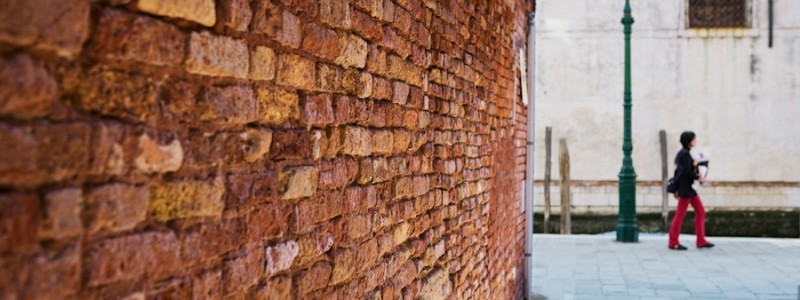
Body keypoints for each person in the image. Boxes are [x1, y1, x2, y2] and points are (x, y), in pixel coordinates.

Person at [668, 131, 715, 250]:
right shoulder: (684, 154)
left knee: (700, 212)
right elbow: (686, 172)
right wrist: (699, 177)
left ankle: (701, 240)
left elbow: (686, 169)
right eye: (694, 139)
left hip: (689, 188)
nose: (695, 141)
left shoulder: (685, 153)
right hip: (686, 189)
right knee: (680, 215)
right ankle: (673, 242)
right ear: (689, 141)